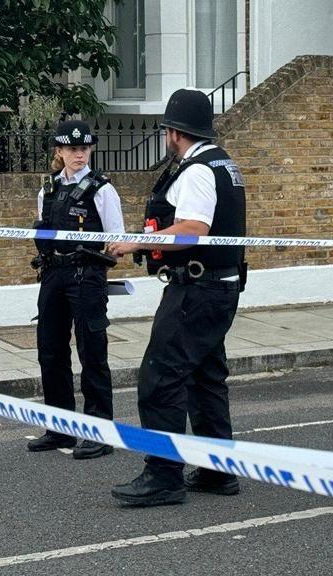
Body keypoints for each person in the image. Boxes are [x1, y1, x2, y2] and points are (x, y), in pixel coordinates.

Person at [107, 89, 248, 507]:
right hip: (218, 287)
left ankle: (163, 475)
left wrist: (137, 242)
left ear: (174, 132)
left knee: (160, 377)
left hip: (197, 290)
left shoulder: (198, 171)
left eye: (167, 129)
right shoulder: (223, 162)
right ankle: (216, 470)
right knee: (205, 378)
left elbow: (193, 229)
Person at [26, 120, 125, 460]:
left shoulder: (102, 190)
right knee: (50, 351)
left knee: (92, 352)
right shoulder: (48, 190)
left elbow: (116, 239)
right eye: (72, 148)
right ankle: (60, 427)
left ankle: (99, 432)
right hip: (54, 273)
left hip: (86, 274)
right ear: (60, 151)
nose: (79, 153)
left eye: (84, 148)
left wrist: (98, 259)